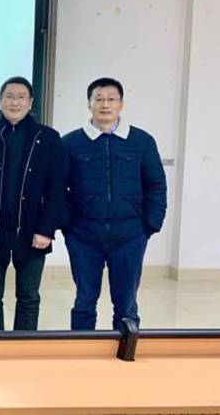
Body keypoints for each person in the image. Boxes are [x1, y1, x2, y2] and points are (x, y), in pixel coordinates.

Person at [63, 77, 167, 331]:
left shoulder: (142, 141)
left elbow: (156, 185)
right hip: (83, 236)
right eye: (98, 99)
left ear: (121, 104)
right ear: (89, 104)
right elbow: (58, 189)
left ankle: (124, 353)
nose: (105, 104)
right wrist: (68, 226)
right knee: (85, 301)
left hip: (130, 236)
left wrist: (150, 225)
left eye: (111, 99)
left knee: (126, 304)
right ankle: (82, 352)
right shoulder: (71, 142)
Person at [0, 77, 66, 331]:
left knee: (28, 296)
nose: (15, 102)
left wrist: (46, 229)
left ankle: (23, 347)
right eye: (9, 96)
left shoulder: (48, 138)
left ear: (31, 102)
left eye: (21, 97)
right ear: (0, 101)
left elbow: (56, 188)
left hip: (34, 231)